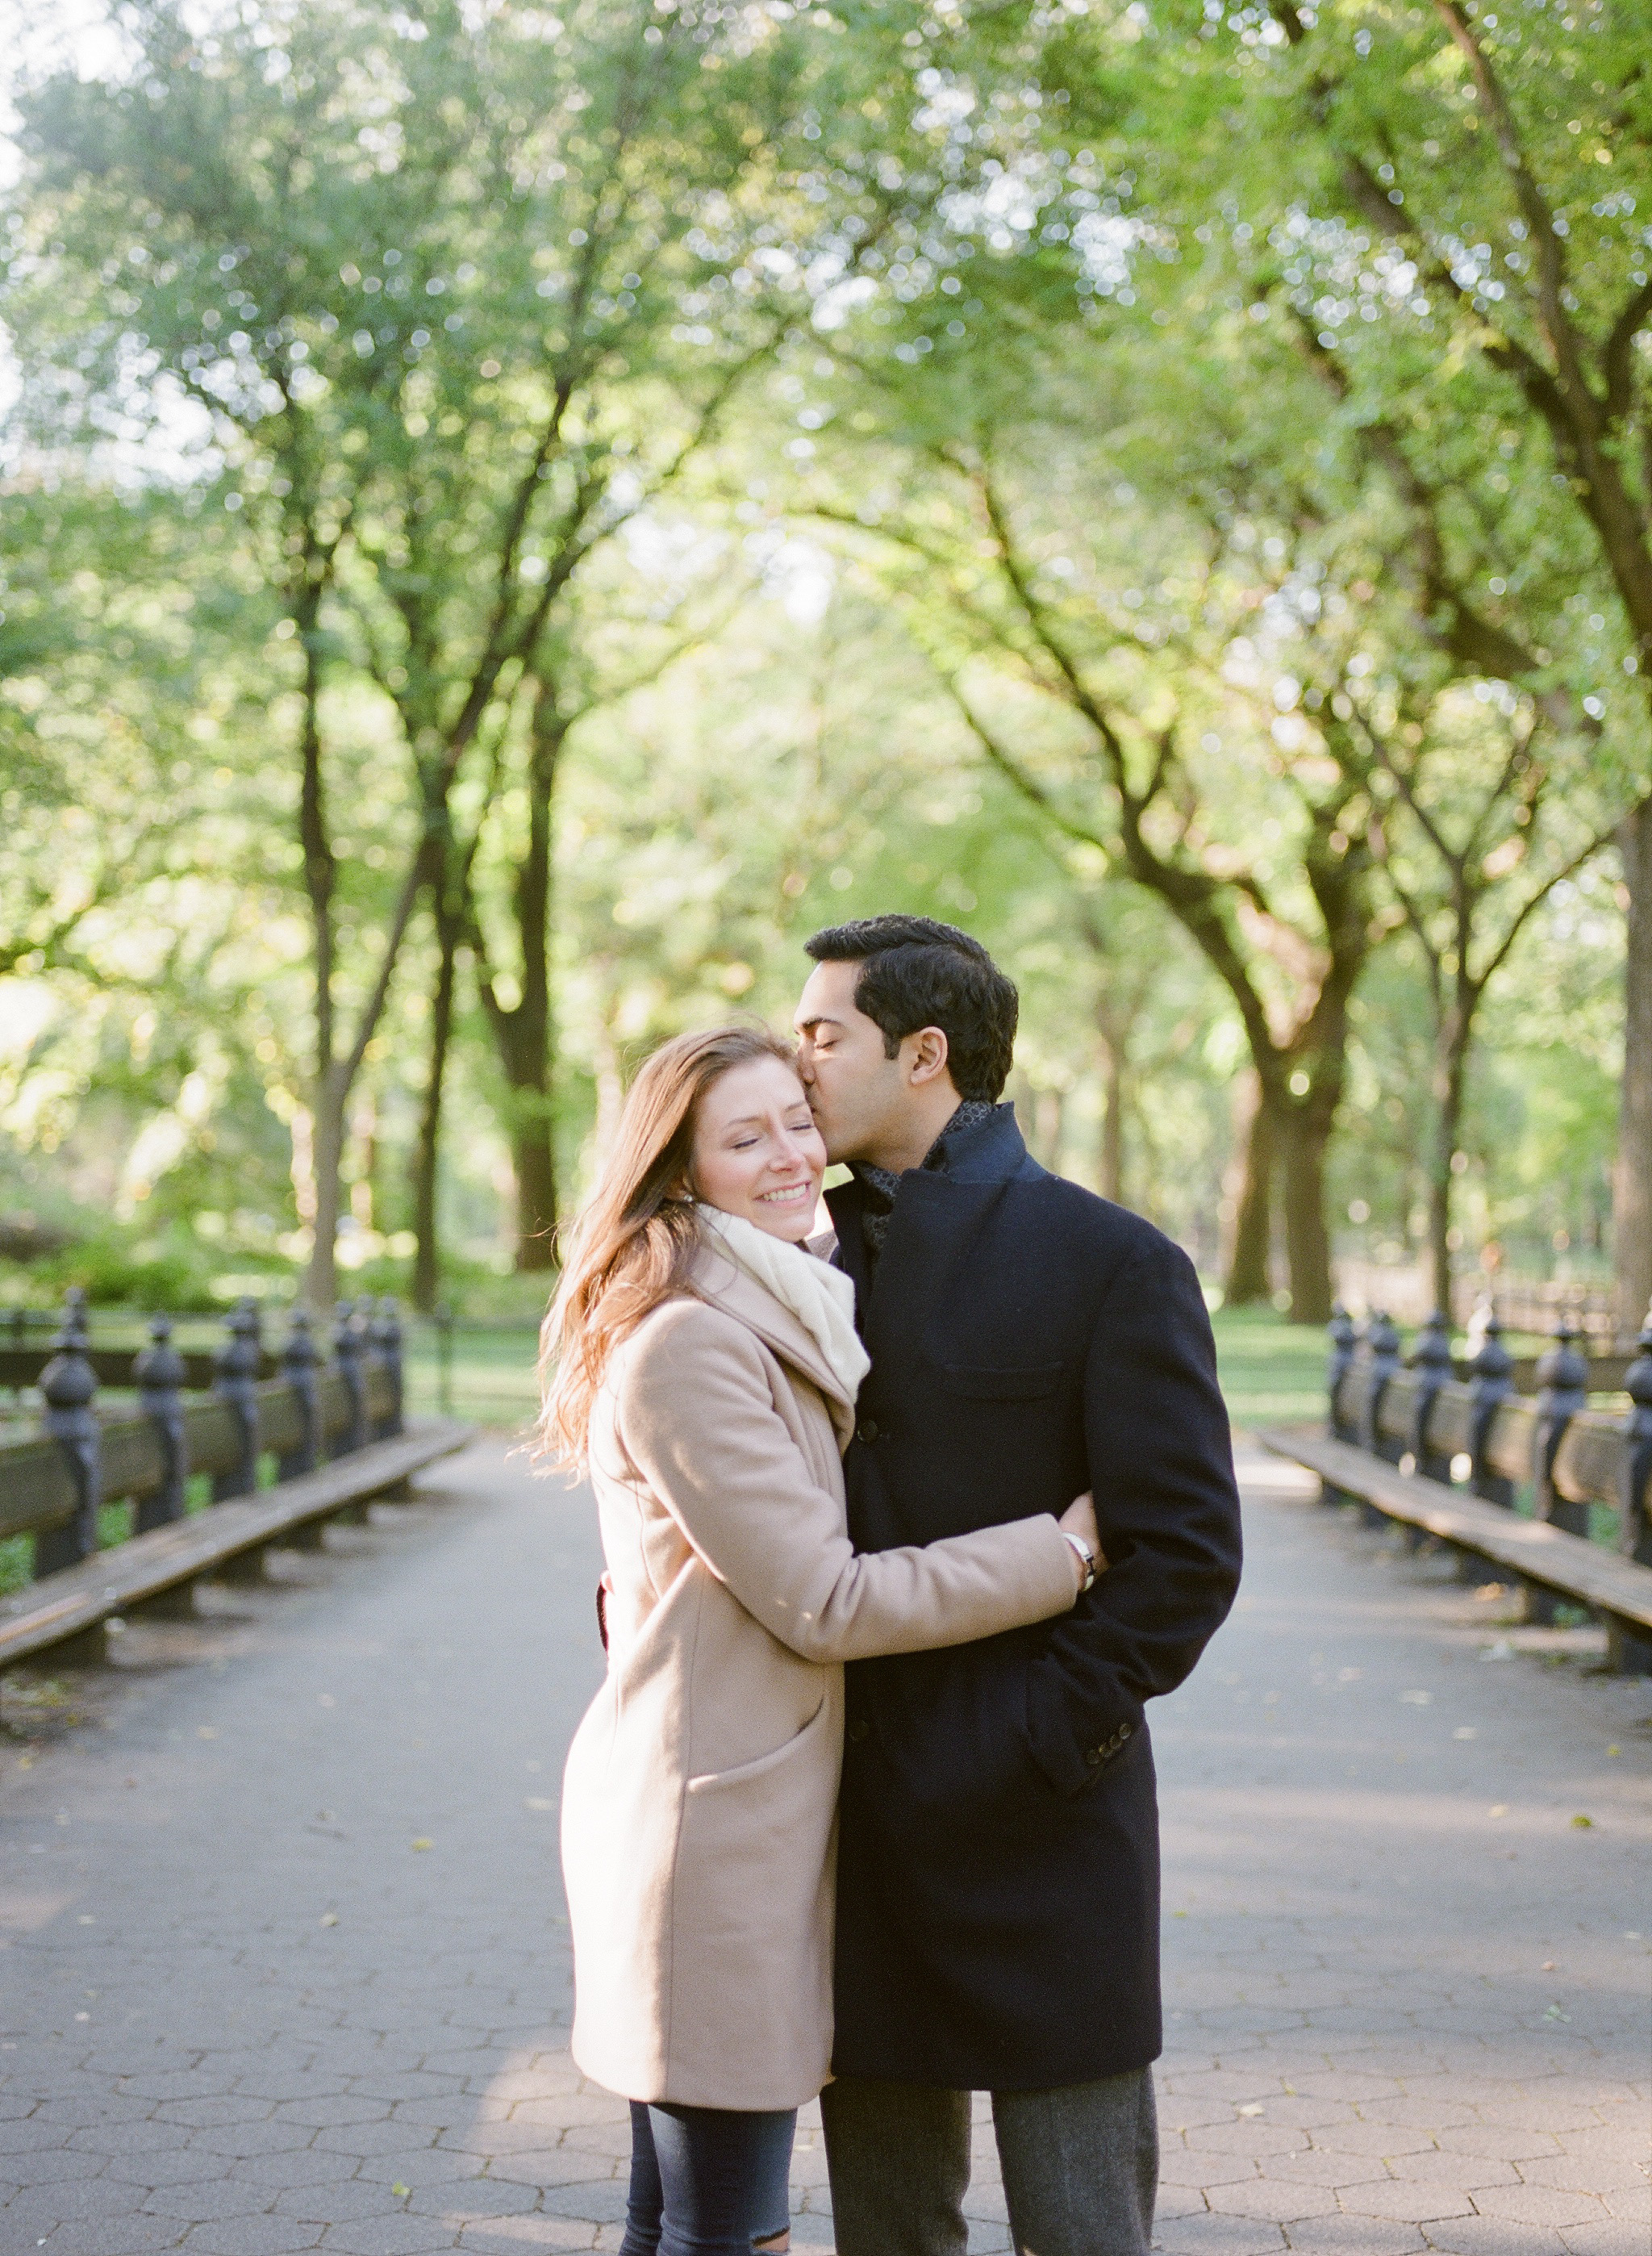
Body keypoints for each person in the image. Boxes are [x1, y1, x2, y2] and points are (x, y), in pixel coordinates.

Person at [540, 1023, 1103, 2256]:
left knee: (679, 2221)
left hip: (743, 1809)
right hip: (712, 1835)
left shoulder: (777, 1295)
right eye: (746, 1138)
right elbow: (825, 1599)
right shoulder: (689, 1342)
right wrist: (1061, 1553)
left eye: (797, 1118)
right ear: (680, 1172)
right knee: (731, 2233)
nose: (794, 1154)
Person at [792, 915, 1243, 2256]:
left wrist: (1048, 1732)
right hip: (849, 1820)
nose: (795, 1062)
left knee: (1083, 2230)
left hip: (1050, 1827)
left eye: (825, 1035)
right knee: (888, 2232)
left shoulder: (1112, 1261)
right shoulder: (792, 1258)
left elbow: (1184, 1557)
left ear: (924, 1055)